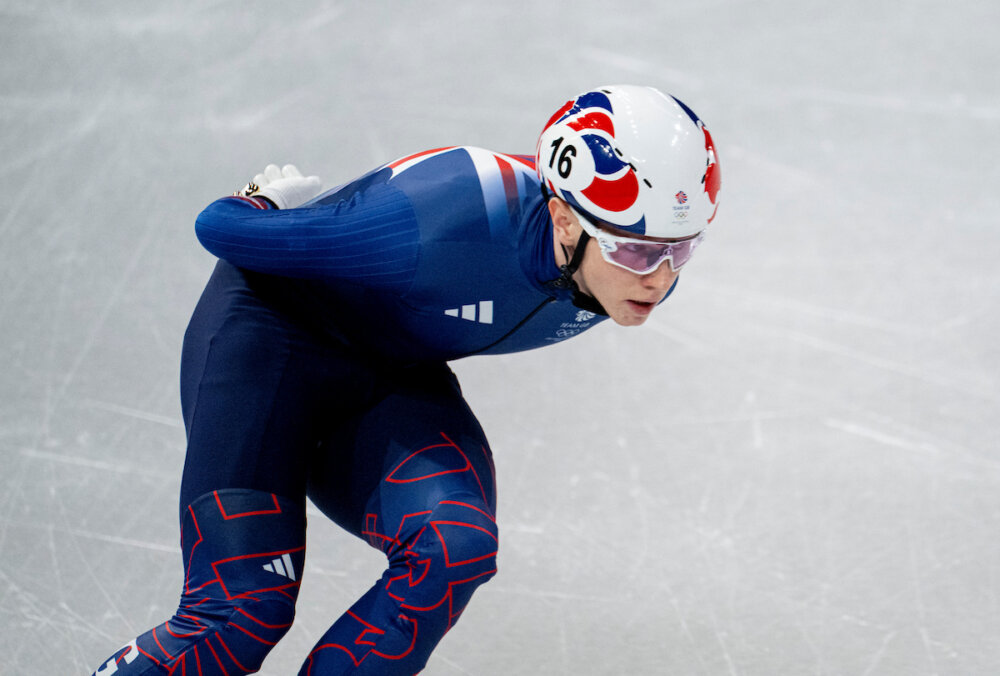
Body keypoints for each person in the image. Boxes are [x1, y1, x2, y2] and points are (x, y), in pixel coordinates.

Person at [91, 84, 721, 675]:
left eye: (681, 249)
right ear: (563, 219)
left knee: (454, 547)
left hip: (387, 371)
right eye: (636, 251)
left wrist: (640, 249)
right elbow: (220, 228)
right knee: (241, 612)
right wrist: (258, 198)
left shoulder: (624, 262)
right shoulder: (440, 217)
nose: (659, 278)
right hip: (266, 348)